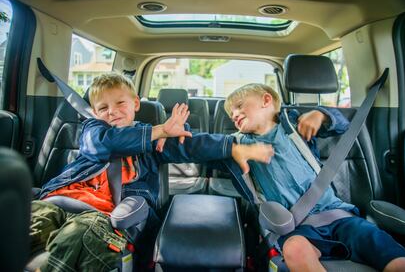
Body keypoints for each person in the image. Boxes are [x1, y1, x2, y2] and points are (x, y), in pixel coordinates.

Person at [30, 73, 275, 271]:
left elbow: (192, 144)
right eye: (102, 107)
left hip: (101, 214)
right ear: (94, 113)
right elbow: (104, 143)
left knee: (81, 235)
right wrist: (158, 131)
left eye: (120, 103)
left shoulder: (155, 142)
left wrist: (233, 148)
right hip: (56, 200)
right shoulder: (92, 130)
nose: (112, 111)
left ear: (136, 104)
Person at [224, 83, 405, 272]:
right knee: (295, 248)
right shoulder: (238, 145)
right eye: (230, 114)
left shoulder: (293, 125)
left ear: (266, 100)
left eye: (239, 106)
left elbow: (343, 125)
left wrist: (321, 114)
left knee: (395, 256)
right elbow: (207, 147)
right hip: (295, 227)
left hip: (340, 216)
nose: (234, 115)